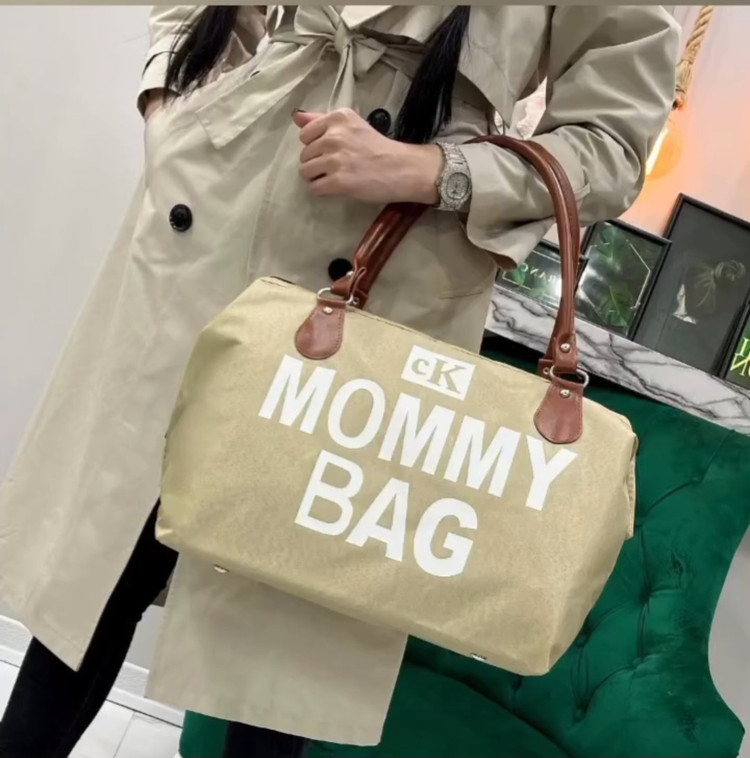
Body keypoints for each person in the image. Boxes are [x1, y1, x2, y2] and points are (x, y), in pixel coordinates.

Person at [0, 5, 678, 757]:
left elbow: (612, 142)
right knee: (106, 567)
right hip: (220, 205)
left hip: (387, 259)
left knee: (291, 630)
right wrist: (171, 102)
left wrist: (433, 171)